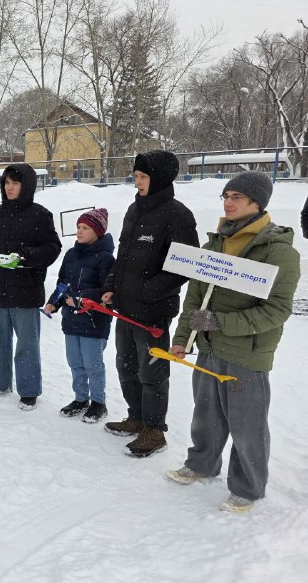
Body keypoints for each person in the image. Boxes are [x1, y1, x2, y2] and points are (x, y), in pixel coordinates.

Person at [165, 172, 300, 513]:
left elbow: (277, 310)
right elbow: (195, 299)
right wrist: (183, 339)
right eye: (226, 195)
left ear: (258, 203)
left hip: (247, 355)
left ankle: (248, 487)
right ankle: (202, 464)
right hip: (209, 348)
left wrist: (220, 323)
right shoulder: (215, 244)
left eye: (237, 196)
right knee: (206, 415)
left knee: (247, 424)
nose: (228, 202)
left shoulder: (278, 251)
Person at [100, 150, 199, 457]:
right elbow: (123, 255)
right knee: (125, 365)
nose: (137, 181)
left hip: (153, 313)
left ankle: (154, 431)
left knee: (152, 372)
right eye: (136, 175)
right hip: (125, 309)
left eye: (143, 176)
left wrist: (147, 291)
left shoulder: (178, 216)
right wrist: (111, 286)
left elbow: (183, 267)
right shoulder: (134, 209)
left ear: (159, 179)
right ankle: (137, 417)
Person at [0, 163, 62, 411]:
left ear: (27, 185)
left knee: (26, 344)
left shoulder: (40, 215)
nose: (9, 187)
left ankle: (29, 390)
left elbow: (52, 249)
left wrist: (25, 256)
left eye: (15, 182)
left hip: (26, 290)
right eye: (6, 182)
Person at [44, 208, 115, 423]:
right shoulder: (71, 254)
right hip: (71, 319)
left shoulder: (106, 258)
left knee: (93, 365)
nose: (79, 231)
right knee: (75, 362)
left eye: (85, 228)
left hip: (94, 321)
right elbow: (63, 283)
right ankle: (80, 398)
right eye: (78, 227)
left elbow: (107, 292)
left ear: (98, 231)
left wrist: (80, 298)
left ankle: (98, 403)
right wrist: (53, 303)